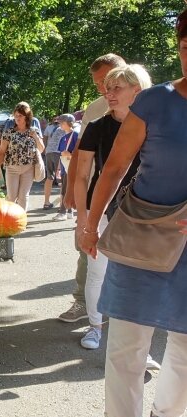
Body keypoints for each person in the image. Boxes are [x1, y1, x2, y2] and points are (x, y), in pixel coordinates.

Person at [78, 13, 187, 417]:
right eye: (185, 42)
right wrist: (89, 224)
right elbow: (114, 167)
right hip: (142, 230)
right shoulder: (155, 102)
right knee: (128, 337)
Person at [73, 65, 151, 351]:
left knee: (138, 278)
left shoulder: (155, 126)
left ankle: (137, 345)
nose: (109, 93)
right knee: (98, 271)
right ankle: (95, 326)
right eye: (108, 88)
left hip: (144, 213)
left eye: (117, 88)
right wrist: (83, 217)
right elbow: (82, 175)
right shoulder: (98, 127)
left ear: (137, 90)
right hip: (102, 208)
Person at [57, 53, 126, 324]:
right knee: (89, 250)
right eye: (98, 83)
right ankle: (83, 302)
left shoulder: (148, 101)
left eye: (106, 81)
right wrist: (72, 191)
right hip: (100, 192)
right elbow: (80, 153)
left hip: (136, 199)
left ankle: (118, 313)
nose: (102, 88)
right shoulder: (96, 109)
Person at [0, 102, 44, 211]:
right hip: (12, 168)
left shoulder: (33, 131)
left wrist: (35, 136)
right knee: (11, 197)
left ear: (27, 117)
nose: (17, 118)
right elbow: (2, 152)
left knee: (23, 197)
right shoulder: (8, 132)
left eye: (20, 115)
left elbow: (41, 149)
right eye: (16, 116)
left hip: (28, 168)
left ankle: (20, 222)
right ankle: (9, 219)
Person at [52, 114, 79, 221]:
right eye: (60, 122)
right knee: (65, 189)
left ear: (69, 123)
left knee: (65, 190)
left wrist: (70, 154)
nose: (61, 125)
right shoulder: (63, 137)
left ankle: (63, 212)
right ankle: (69, 211)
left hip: (72, 167)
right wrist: (58, 168)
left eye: (62, 122)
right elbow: (61, 154)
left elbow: (80, 153)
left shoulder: (76, 135)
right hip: (65, 167)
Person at [42, 116, 65, 209]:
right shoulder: (65, 128)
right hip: (59, 153)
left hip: (49, 152)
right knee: (61, 178)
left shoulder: (49, 127)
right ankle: (62, 205)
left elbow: (45, 139)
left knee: (49, 177)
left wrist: (45, 149)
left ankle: (46, 202)